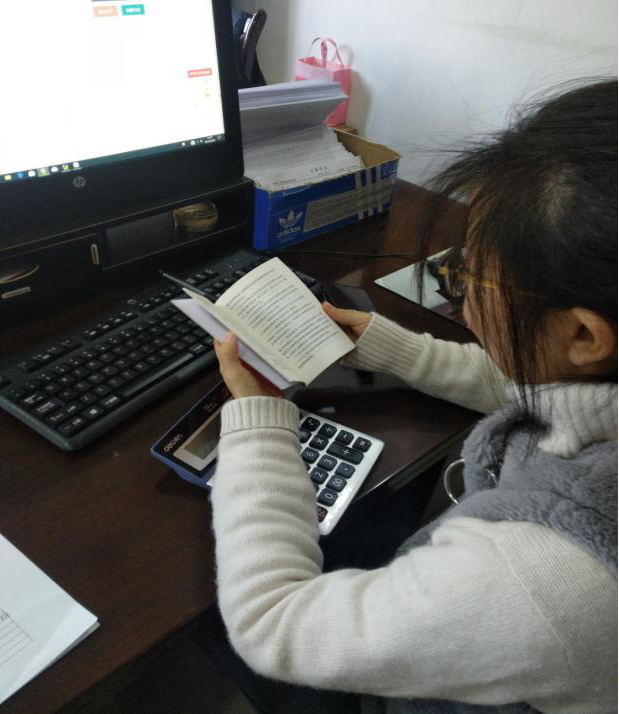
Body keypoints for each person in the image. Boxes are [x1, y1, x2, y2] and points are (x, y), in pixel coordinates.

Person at [209, 80, 618, 714]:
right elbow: (551, 389)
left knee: (201, 622)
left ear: (584, 335)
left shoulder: (549, 577)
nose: (460, 292)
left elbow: (272, 626)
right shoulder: (594, 380)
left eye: (471, 274)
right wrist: (391, 347)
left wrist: (258, 423)